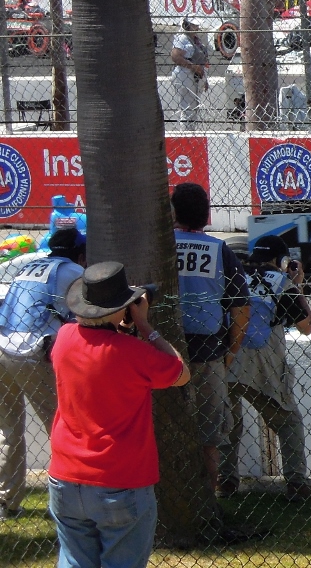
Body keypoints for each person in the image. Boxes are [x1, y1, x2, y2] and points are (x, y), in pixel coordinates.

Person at [48, 262, 189, 568]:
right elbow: (180, 372)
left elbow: (98, 347)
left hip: (66, 477)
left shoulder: (64, 338)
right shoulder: (134, 353)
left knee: (73, 560)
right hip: (120, 480)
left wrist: (119, 325)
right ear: (122, 308)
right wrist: (145, 326)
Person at [221, 237, 311, 501]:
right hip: (263, 360)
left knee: (229, 423)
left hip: (227, 356)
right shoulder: (282, 283)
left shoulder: (236, 278)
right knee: (289, 422)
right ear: (281, 260)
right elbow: (306, 327)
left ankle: (226, 482)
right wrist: (297, 286)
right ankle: (297, 483)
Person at [0, 228, 86, 518]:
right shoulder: (74, 271)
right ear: (79, 252)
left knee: (8, 429)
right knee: (61, 427)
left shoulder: (29, 265)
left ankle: (5, 502)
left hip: (2, 346)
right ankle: (66, 503)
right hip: (33, 351)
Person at [171, 182, 249, 494]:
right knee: (209, 435)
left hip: (163, 350)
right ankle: (206, 502)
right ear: (206, 215)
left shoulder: (159, 246)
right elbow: (241, 309)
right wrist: (230, 352)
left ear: (173, 212)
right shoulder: (220, 250)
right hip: (207, 350)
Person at [170, 17, 209, 127]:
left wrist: (204, 79)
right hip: (184, 74)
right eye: (193, 25)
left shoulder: (196, 40)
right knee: (188, 108)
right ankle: (186, 135)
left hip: (195, 76)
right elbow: (175, 56)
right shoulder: (182, 38)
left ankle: (190, 132)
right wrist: (193, 67)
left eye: (196, 25)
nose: (196, 27)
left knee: (194, 107)